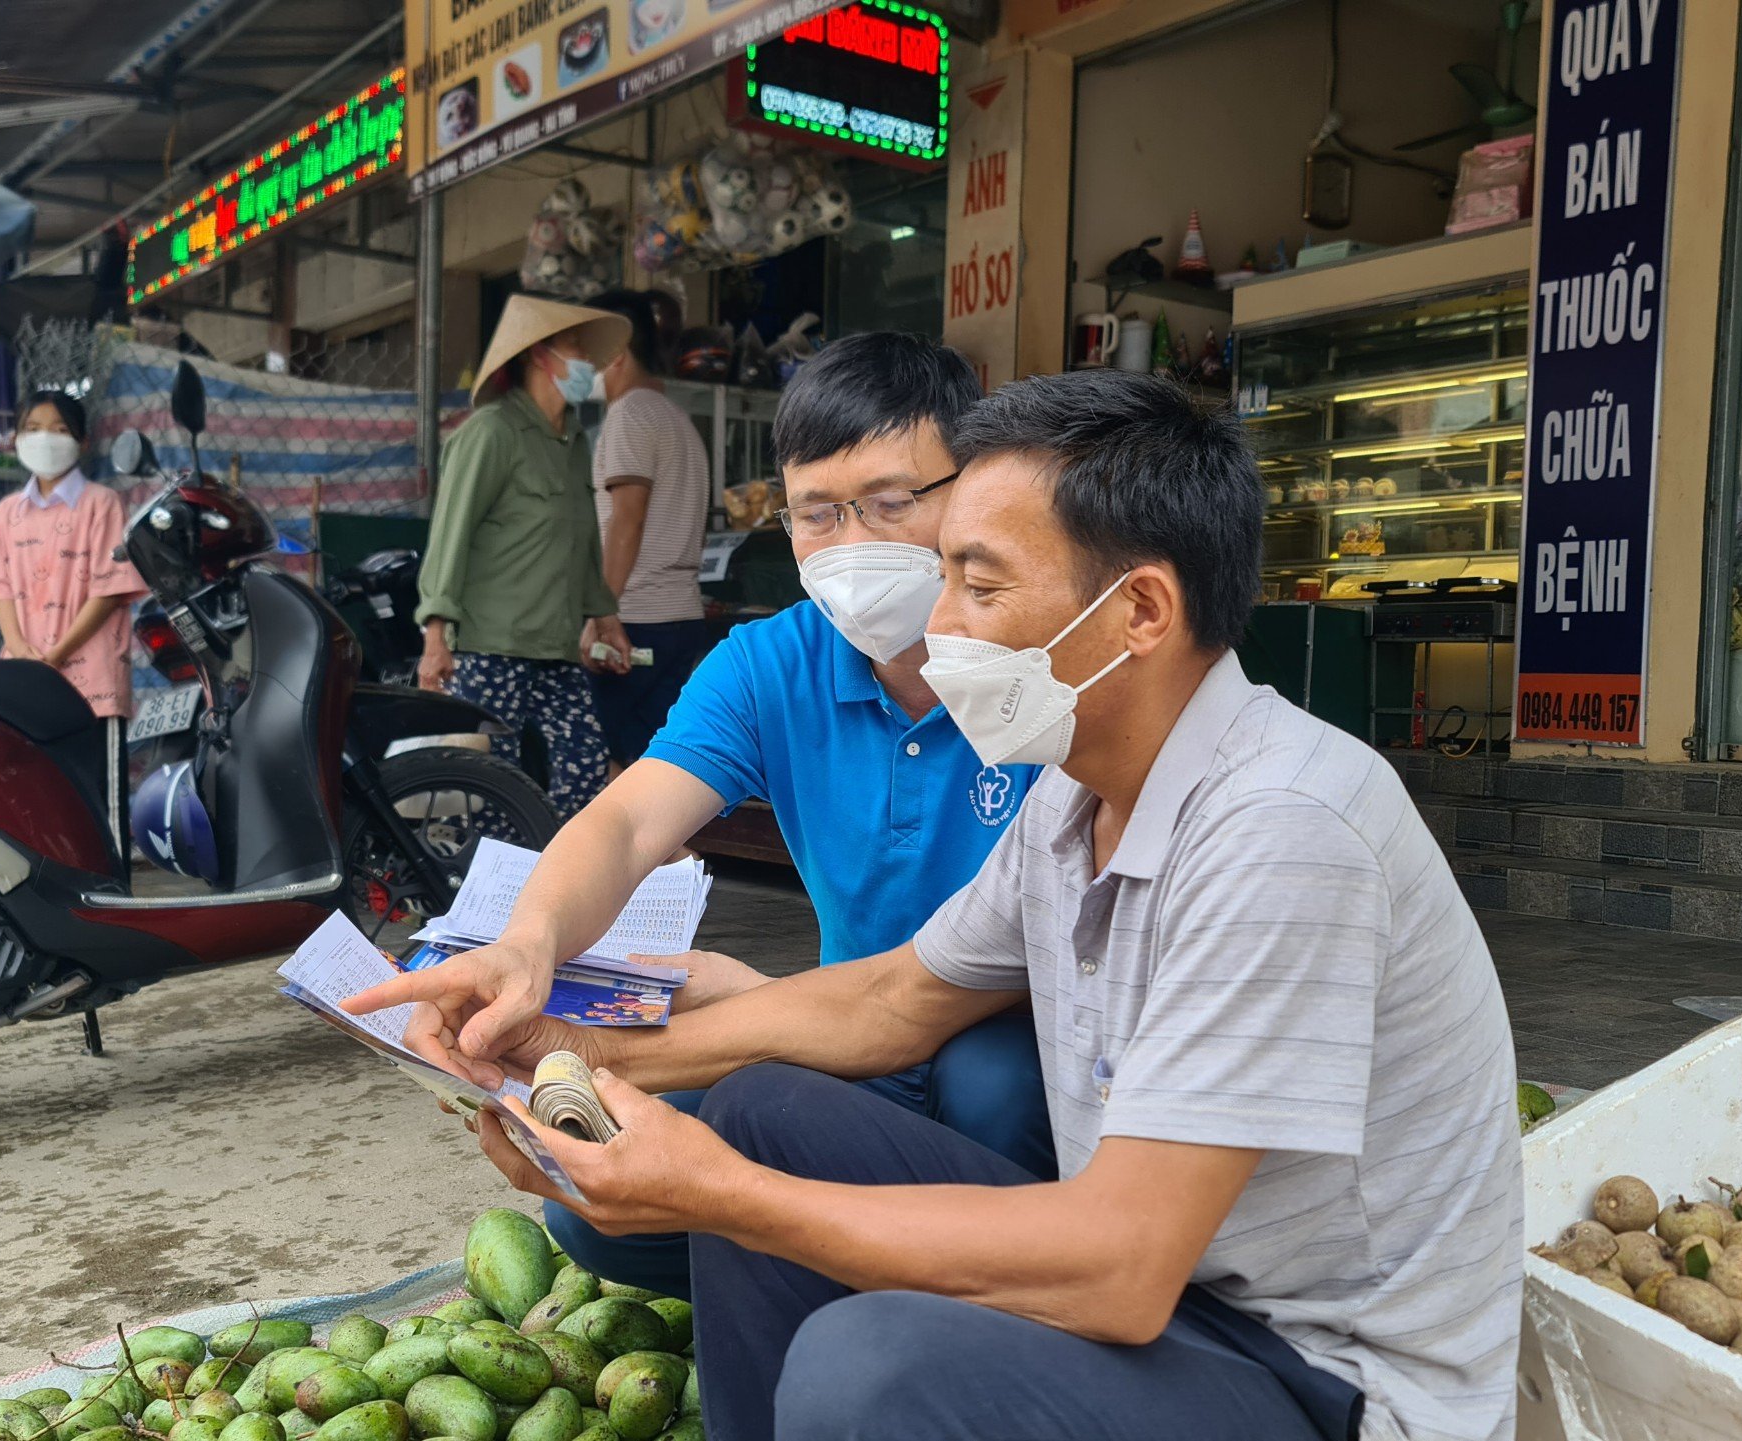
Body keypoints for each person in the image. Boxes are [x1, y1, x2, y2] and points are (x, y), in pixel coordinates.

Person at [425, 370, 1523, 1441]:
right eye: (941, 574)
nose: (936, 620)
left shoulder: (1283, 825)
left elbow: (1122, 1266)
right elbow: (893, 1000)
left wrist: (721, 1192)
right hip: (1189, 1288)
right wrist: (560, 1047)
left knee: (865, 1366)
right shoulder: (1075, 792)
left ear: (1139, 608)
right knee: (766, 1107)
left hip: (1316, 1371)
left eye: (978, 585)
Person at [350, 333, 1054, 1299]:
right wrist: (532, 941)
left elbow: (935, 999)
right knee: (598, 1212)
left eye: (892, 502)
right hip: (846, 1026)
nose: (852, 544)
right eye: (816, 512)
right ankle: (883, 1264)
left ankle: (995, 1296)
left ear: (971, 489)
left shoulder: (1047, 662)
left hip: (1012, 1038)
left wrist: (632, 1034)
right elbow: (629, 824)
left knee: (993, 1079)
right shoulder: (770, 663)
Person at [415, 295, 636, 818]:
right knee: (493, 786)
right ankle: (489, 893)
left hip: (555, 646)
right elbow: (451, 532)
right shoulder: (491, 432)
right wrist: (435, 636)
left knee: (585, 766)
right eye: (574, 348)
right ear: (540, 355)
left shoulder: (574, 440)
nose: (586, 362)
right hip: (492, 644)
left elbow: (582, 540)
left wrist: (605, 617)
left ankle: (553, 877)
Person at [582, 289, 713, 765]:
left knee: (613, 764)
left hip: (634, 619)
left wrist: (601, 613)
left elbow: (627, 521)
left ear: (614, 353)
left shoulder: (630, 416)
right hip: (679, 616)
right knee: (655, 761)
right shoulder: (677, 419)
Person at [0, 391, 149, 719]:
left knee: (90, 768)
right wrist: (20, 651)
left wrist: (55, 655)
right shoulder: (6, 513)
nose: (45, 438)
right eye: (33, 428)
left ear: (82, 443)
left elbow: (108, 592)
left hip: (94, 685)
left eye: (59, 430)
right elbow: (0, 592)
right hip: (21, 678)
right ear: (17, 439)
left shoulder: (102, 504)